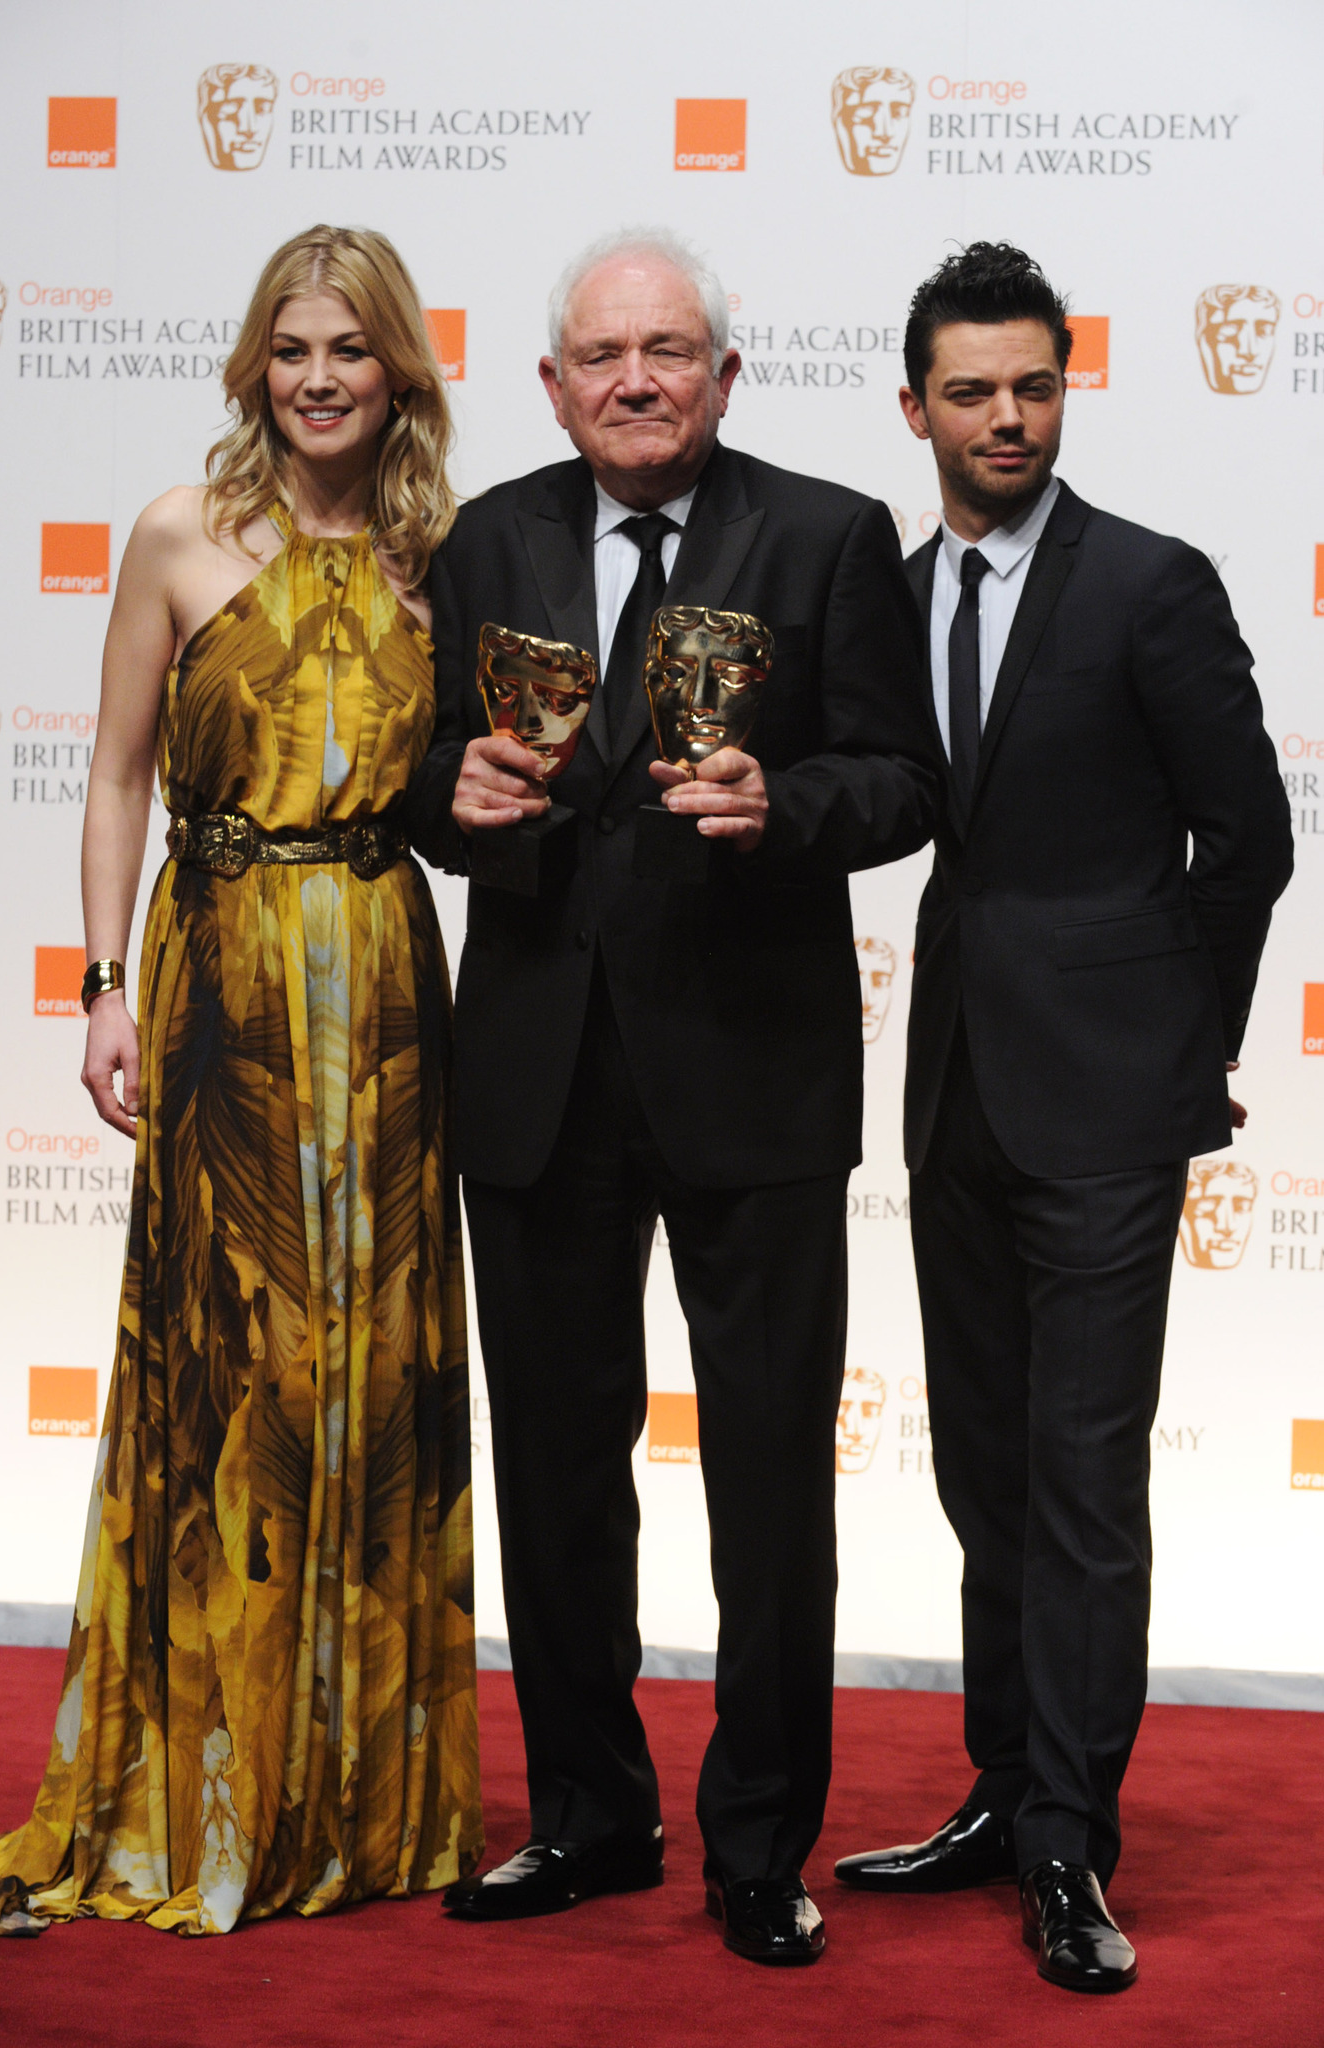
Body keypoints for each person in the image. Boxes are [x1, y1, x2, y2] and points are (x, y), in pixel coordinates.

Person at [403, 226, 937, 1966]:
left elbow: (900, 775)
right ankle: (585, 1817)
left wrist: (784, 809)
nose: (635, 379)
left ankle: (758, 1845)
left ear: (725, 370)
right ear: (552, 382)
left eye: (669, 350)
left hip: (755, 1075)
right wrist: (454, 795)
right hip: (541, 1076)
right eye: (601, 356)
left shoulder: (828, 532)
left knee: (770, 1477)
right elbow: (425, 772)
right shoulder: (488, 537)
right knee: (558, 1470)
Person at [0, 225, 482, 1936]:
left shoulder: (442, 556)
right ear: (256, 365)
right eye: (291, 348)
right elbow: (112, 780)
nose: (319, 377)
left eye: (351, 349)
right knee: (232, 1371)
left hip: (389, 982)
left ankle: (364, 1802)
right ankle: (207, 1784)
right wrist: (102, 984)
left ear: (399, 367)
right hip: (223, 976)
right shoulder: (185, 535)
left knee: (375, 1376)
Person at [834, 242, 1293, 1993]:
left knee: (1084, 1485)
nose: (1006, 416)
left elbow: (1248, 842)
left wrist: (1183, 1057)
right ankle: (1001, 1787)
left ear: (1064, 387)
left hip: (1106, 1110)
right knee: (981, 1476)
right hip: (952, 1089)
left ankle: (1068, 1851)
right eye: (971, 390)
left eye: (1033, 385)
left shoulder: (1150, 585)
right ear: (916, 409)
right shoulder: (885, 587)